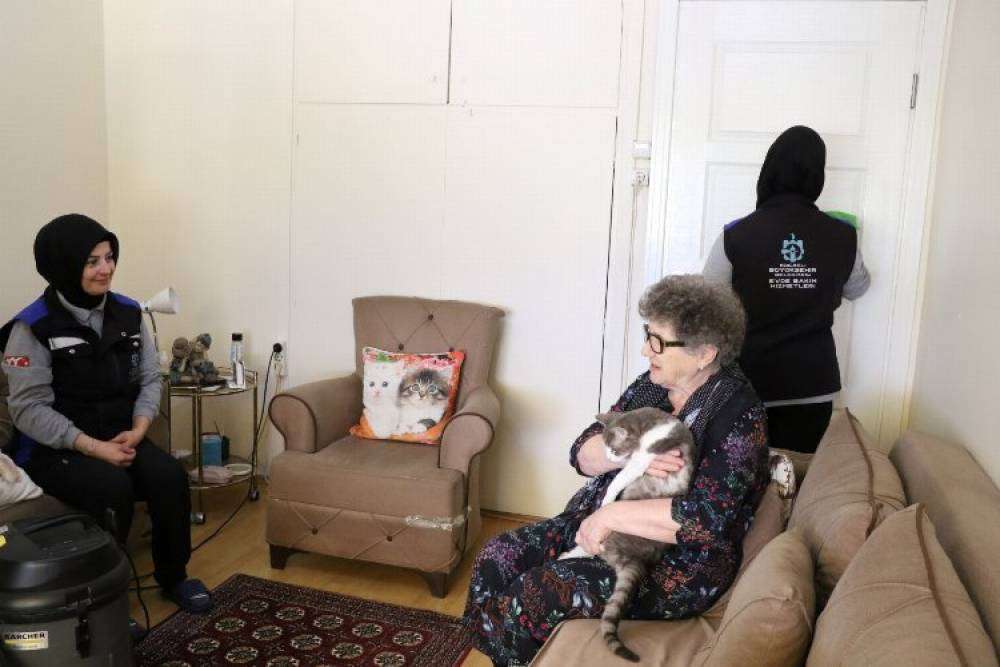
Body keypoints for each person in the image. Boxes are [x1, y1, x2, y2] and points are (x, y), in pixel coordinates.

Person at [463, 275, 770, 666]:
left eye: (658, 342)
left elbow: (705, 520)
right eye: (647, 335)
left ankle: (507, 646)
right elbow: (582, 452)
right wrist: (632, 456)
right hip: (593, 522)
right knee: (497, 555)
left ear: (704, 354)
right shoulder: (653, 386)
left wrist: (611, 516)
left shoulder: (738, 415)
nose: (645, 350)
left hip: (667, 563)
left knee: (540, 590)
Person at [0, 214, 213, 615]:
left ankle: (175, 577)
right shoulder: (32, 327)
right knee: (111, 488)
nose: (106, 269)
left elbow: (150, 378)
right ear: (64, 266)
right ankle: (105, 603)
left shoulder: (129, 312)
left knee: (169, 476)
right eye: (92, 261)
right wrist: (94, 448)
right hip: (55, 449)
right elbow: (28, 410)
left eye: (110, 257)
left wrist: (140, 427)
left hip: (121, 435)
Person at [703, 126, 871, 453]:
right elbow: (858, 288)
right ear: (817, 177)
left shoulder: (736, 234)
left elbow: (708, 301)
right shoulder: (842, 235)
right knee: (799, 476)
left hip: (749, 379)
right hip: (814, 384)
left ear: (768, 171)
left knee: (742, 473)